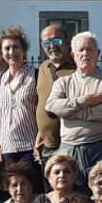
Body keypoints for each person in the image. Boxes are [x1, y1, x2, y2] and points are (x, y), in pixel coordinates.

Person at [46, 32, 102, 176]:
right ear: (73, 55)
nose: (85, 53)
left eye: (89, 49)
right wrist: (84, 101)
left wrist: (72, 112)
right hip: (69, 149)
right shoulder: (63, 83)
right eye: (81, 50)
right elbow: (52, 106)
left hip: (101, 146)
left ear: (98, 54)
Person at [0, 25, 39, 164]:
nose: (11, 52)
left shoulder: (35, 75)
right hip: (7, 148)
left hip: (30, 146)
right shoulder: (1, 79)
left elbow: (42, 109)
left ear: (23, 50)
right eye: (7, 48)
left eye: (16, 47)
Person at [35, 24, 76, 161]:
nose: (51, 46)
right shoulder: (43, 68)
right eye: (46, 42)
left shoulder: (77, 69)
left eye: (56, 41)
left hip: (69, 144)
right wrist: (40, 136)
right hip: (47, 145)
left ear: (67, 41)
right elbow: (41, 102)